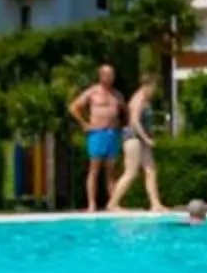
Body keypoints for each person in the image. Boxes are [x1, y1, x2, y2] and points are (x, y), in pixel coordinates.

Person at [65, 64, 123, 211]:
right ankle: (91, 203)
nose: (110, 78)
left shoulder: (117, 94)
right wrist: (84, 123)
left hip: (112, 133)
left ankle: (113, 203)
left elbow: (126, 111)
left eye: (112, 74)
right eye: (107, 75)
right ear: (101, 76)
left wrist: (121, 126)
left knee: (111, 171)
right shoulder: (92, 92)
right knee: (94, 169)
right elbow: (73, 107)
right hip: (97, 133)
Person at [107, 78, 166, 214]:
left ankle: (155, 204)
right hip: (133, 138)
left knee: (151, 170)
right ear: (147, 85)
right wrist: (147, 138)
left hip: (141, 139)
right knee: (131, 172)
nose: (154, 91)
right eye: (153, 88)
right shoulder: (138, 99)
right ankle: (112, 204)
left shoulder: (145, 99)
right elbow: (134, 121)